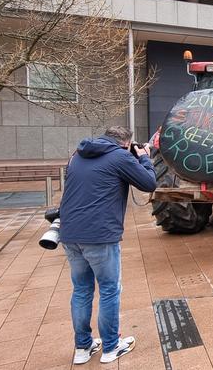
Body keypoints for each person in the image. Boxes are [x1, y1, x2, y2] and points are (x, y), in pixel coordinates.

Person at [59, 126, 157, 364]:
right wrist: (143, 158)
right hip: (100, 235)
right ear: (125, 143)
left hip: (70, 233)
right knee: (109, 290)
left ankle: (83, 348)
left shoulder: (77, 155)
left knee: (81, 290)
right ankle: (111, 347)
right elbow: (149, 183)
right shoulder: (120, 156)